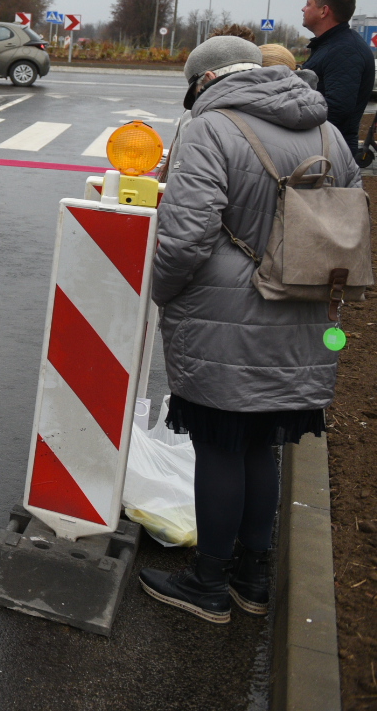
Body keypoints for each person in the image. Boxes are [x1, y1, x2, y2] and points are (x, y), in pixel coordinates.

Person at [140, 36, 359, 623]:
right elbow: (350, 219)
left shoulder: (211, 131)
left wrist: (161, 291)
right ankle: (252, 578)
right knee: (262, 443)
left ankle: (208, 583)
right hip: (304, 312)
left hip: (226, 317)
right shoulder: (328, 133)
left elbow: (185, 237)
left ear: (206, 81)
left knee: (219, 444)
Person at [299, 0, 372, 156]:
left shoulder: (345, 50)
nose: (303, 9)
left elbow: (337, 108)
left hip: (329, 152)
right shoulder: (330, 45)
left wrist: (290, 117)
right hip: (321, 147)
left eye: (308, 4)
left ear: (324, 11)